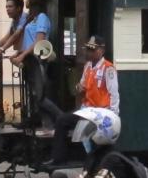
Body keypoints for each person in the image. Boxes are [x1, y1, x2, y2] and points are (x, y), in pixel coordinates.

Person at [46, 36, 119, 167]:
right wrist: (78, 88)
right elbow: (82, 85)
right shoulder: (88, 66)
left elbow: (114, 93)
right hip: (88, 111)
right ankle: (59, 158)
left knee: (91, 137)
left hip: (101, 113)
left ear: (101, 50)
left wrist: (113, 114)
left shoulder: (108, 68)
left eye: (92, 49)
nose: (89, 52)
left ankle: (91, 163)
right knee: (62, 120)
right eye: (88, 49)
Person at [10, 0, 52, 125]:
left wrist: (22, 55)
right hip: (30, 59)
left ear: (33, 1)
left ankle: (59, 117)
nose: (26, 1)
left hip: (37, 59)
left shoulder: (42, 18)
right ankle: (33, 120)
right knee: (32, 93)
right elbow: (29, 40)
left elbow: (39, 41)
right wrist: (19, 53)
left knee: (39, 95)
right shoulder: (32, 18)